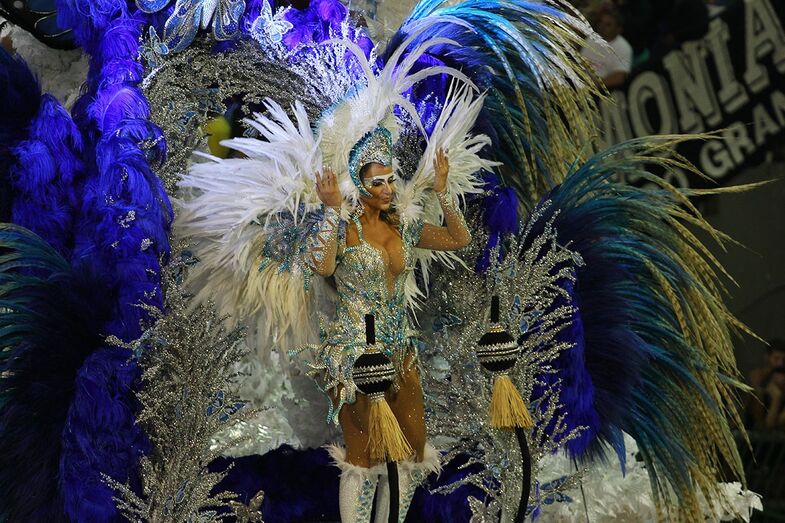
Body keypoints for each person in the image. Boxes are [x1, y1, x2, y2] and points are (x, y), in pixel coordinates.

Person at [306, 142, 471, 521]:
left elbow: (458, 239)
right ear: (360, 186)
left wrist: (443, 192)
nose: (387, 189)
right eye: (378, 182)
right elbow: (321, 266)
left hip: (399, 351)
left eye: (391, 180)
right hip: (356, 357)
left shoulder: (405, 227)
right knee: (362, 456)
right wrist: (331, 210)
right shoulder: (346, 230)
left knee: (412, 450)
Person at [581, 5, 633, 89]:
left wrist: (594, 86)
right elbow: (581, 63)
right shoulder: (591, 38)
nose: (602, 26)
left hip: (606, 91)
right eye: (601, 22)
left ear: (618, 29)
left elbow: (619, 77)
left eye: (608, 24)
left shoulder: (624, 47)